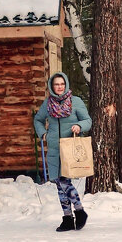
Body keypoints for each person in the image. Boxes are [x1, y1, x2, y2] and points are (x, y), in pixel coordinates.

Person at [32, 72, 92, 232]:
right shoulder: (47, 104)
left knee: (64, 181)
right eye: (56, 84)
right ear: (52, 86)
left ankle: (79, 211)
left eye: (62, 84)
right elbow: (37, 120)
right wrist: (43, 133)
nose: (59, 87)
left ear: (66, 85)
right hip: (53, 148)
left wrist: (79, 126)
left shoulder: (75, 102)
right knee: (59, 183)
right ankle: (67, 218)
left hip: (70, 148)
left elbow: (88, 120)